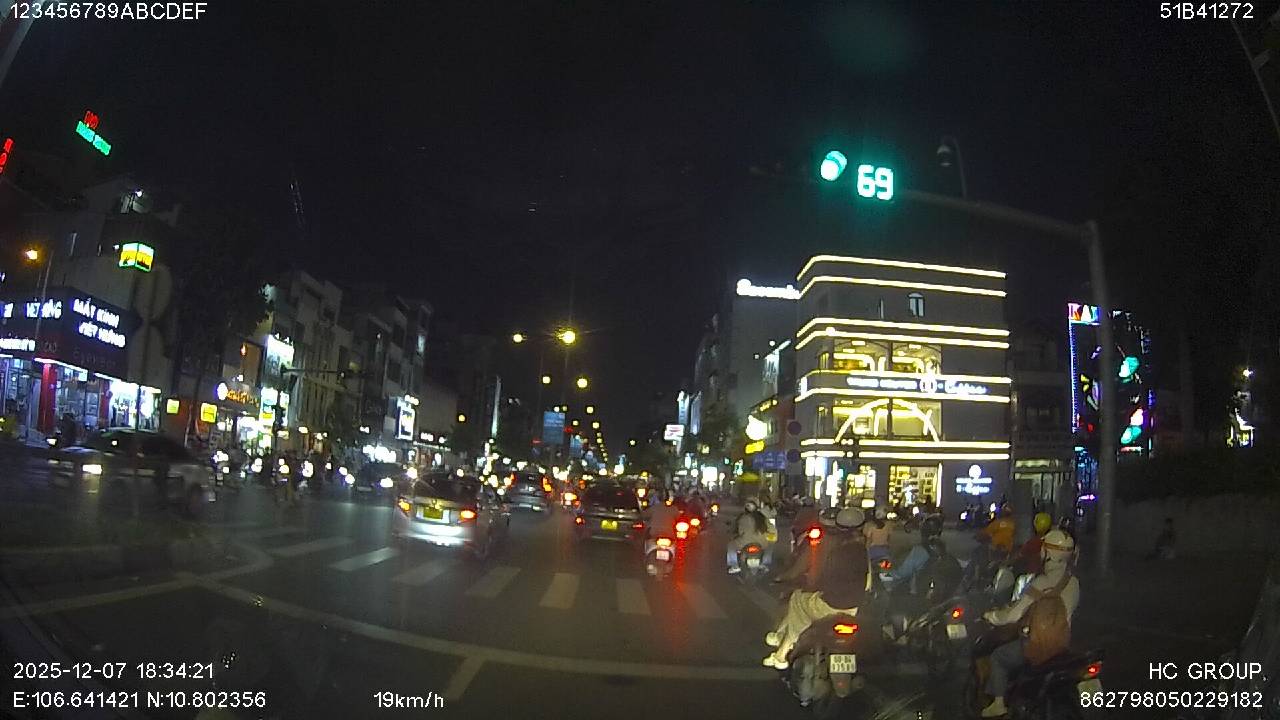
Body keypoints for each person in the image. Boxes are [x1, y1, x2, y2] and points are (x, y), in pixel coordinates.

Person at [979, 530, 1081, 718]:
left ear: (1048, 553)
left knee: (998, 656)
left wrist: (992, 616)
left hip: (1037, 644)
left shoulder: (1040, 583)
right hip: (1062, 644)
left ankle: (999, 705)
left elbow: (1012, 616)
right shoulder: (1073, 582)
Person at [762, 507, 869, 669]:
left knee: (798, 600)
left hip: (829, 605)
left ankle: (781, 655)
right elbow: (868, 581)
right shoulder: (863, 550)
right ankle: (781, 638)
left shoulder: (835, 549)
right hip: (853, 608)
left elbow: (821, 577)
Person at [727, 499, 771, 574]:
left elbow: (739, 531)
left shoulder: (742, 517)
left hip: (745, 542)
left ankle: (734, 565)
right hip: (761, 542)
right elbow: (768, 528)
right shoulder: (762, 517)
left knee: (731, 546)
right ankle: (764, 564)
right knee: (768, 547)